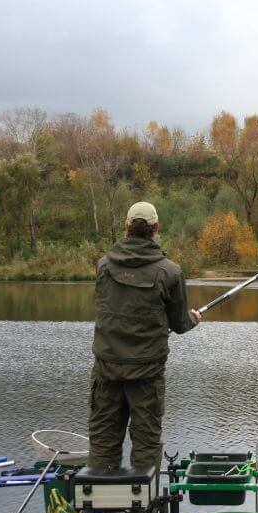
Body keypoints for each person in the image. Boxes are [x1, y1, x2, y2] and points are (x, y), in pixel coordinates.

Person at [87, 201, 201, 471]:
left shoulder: (103, 266)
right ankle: (143, 509)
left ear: (126, 227)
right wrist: (194, 319)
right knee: (146, 446)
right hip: (146, 376)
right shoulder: (170, 272)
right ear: (156, 228)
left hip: (106, 371)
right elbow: (180, 323)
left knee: (103, 445)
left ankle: (99, 509)